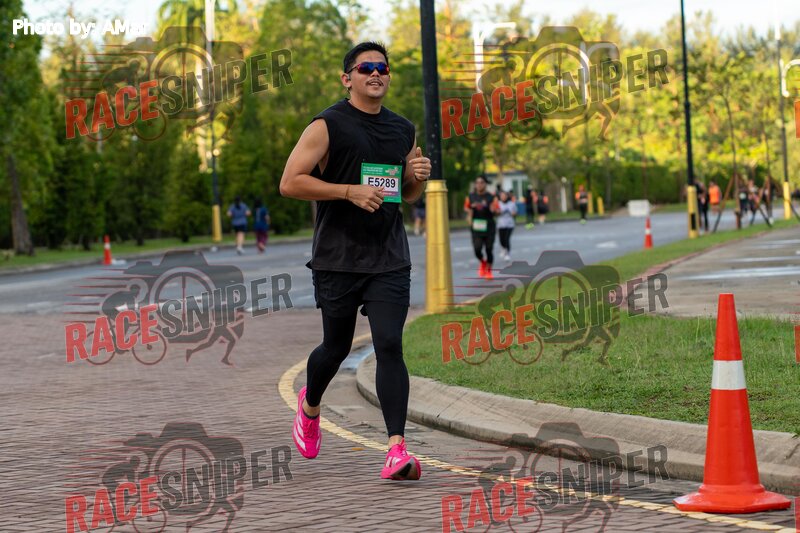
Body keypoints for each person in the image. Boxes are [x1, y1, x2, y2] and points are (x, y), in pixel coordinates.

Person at [279, 41, 430, 481]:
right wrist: (348, 191)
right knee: (336, 347)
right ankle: (310, 406)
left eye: (382, 67)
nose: (375, 73)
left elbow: (404, 194)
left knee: (389, 345)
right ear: (348, 79)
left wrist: (415, 178)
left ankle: (396, 449)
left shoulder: (402, 129)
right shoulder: (327, 125)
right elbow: (290, 182)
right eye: (366, 68)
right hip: (338, 257)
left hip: (388, 255)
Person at [464, 175, 499, 279]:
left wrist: (494, 210)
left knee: (489, 249)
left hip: (489, 226)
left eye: (481, 182)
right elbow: (466, 207)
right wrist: (470, 210)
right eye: (477, 183)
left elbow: (497, 210)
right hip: (477, 226)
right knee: (477, 249)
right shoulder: (471, 196)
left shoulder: (491, 197)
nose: (479, 185)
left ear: (485, 184)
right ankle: (482, 262)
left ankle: (489, 271)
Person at [496, 190, 517, 261]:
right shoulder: (498, 204)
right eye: (502, 196)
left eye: (504, 196)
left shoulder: (511, 204)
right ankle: (503, 248)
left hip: (509, 224)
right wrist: (499, 212)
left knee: (507, 239)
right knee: (501, 240)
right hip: (501, 224)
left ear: (507, 196)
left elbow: (515, 213)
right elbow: (495, 213)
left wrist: (512, 213)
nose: (503, 197)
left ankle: (507, 254)